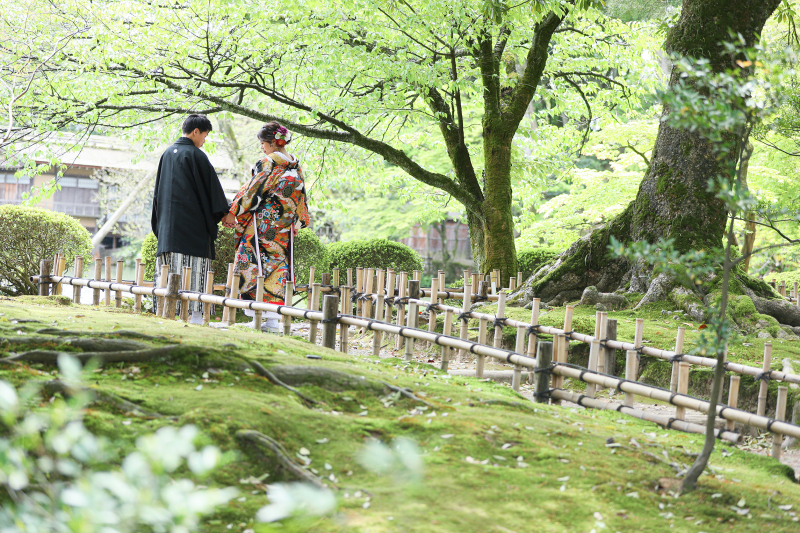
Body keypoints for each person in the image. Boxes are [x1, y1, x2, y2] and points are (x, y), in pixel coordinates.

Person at [222, 122, 310, 332]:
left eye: (263, 143)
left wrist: (233, 211)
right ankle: (272, 321)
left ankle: (259, 316)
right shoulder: (295, 165)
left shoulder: (268, 162)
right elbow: (302, 197)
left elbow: (253, 190)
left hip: (263, 225)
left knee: (252, 263)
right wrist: (297, 222)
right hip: (283, 228)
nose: (262, 147)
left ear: (272, 142)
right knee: (278, 268)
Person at [151, 114, 232, 323]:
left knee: (169, 271)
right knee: (195, 272)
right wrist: (224, 212)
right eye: (204, 135)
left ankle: (165, 313)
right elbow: (211, 188)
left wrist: (160, 224)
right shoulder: (196, 155)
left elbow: (157, 194)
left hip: (168, 230)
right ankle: (196, 316)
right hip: (192, 229)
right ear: (196, 131)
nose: (204, 140)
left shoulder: (167, 154)